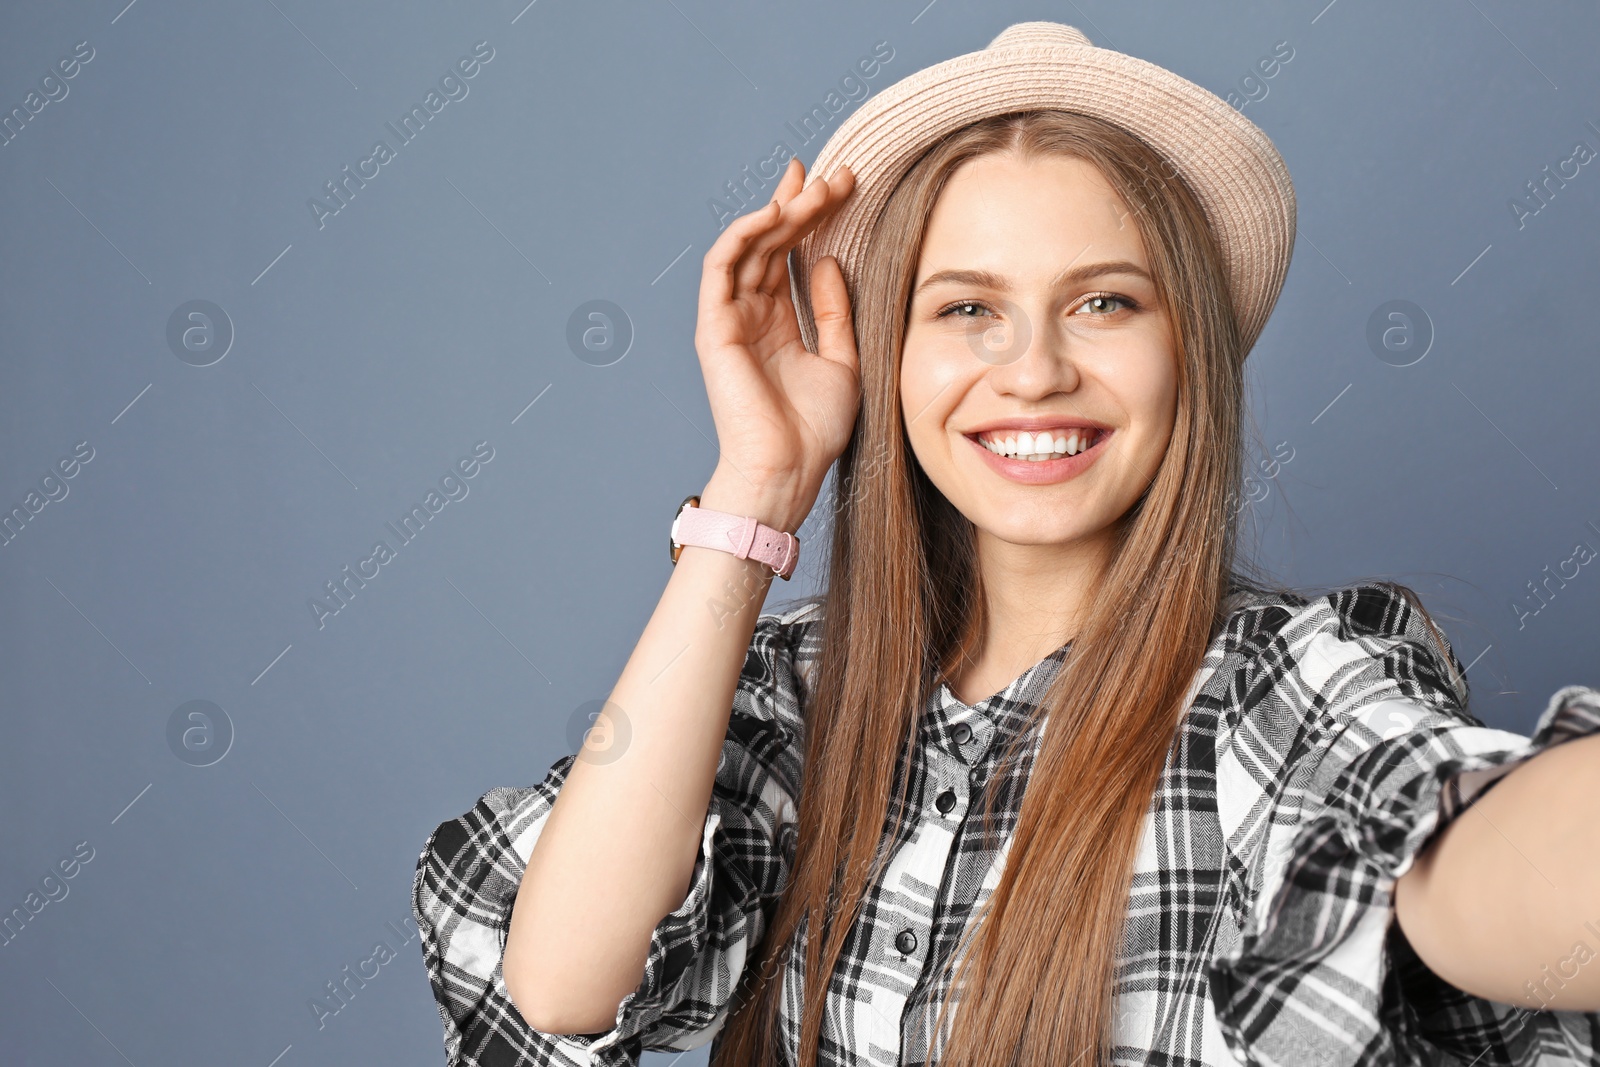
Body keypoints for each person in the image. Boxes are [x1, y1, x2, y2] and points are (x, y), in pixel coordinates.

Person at [412, 21, 1600, 1067]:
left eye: (1104, 301)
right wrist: (760, 482)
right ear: (888, 355)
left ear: (1189, 353)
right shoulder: (792, 703)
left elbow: (1465, 851)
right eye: (966, 307)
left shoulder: (1275, 693)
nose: (1032, 370)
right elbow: (567, 988)